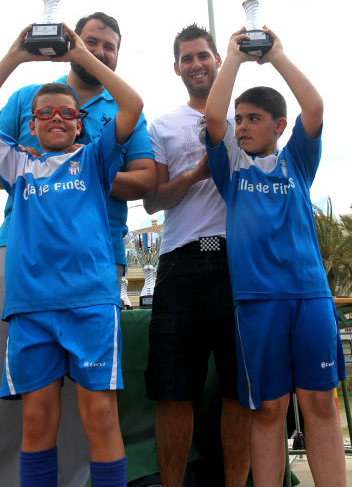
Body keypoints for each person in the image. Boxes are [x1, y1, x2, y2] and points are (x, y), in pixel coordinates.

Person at [0, 12, 156, 487]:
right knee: (36, 423)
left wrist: (81, 55)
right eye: (45, 113)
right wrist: (16, 56)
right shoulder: (18, 163)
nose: (55, 119)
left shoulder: (95, 158)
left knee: (100, 418)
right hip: (30, 308)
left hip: (90, 304)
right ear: (31, 122)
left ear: (80, 123)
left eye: (67, 113)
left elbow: (131, 102)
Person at [204, 26, 346, 487]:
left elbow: (315, 107)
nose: (241, 126)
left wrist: (278, 56)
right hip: (258, 301)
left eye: (252, 119)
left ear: (278, 127)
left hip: (309, 296)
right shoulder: (232, 167)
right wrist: (233, 58)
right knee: (269, 408)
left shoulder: (297, 162)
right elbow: (213, 121)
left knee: (320, 403)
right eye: (239, 118)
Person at [143, 24, 251, 487]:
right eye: (187, 58)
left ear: (217, 60)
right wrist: (195, 174)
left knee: (239, 390)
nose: (196, 64)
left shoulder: (244, 117)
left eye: (203, 55)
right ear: (176, 68)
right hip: (180, 263)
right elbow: (152, 200)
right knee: (174, 391)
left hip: (237, 261)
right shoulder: (162, 125)